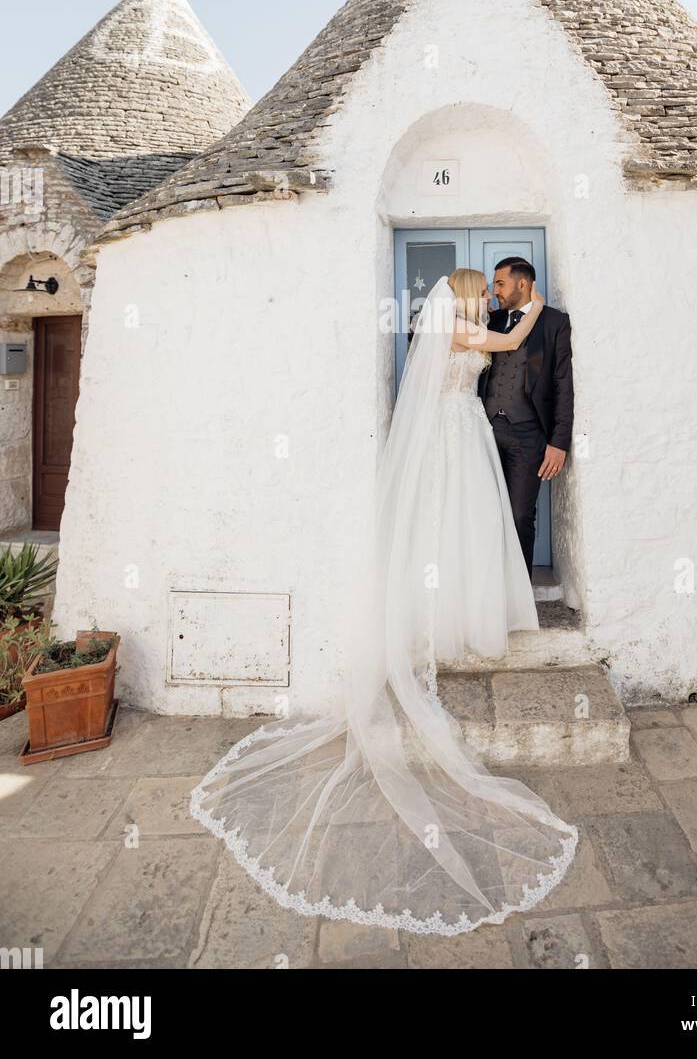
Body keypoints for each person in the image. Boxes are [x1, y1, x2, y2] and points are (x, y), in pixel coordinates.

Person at [190, 272, 579, 936]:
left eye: (494, 288)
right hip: (459, 435)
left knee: (461, 525)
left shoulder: (447, 328)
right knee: (452, 523)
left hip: (464, 433)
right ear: (459, 299)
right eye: (478, 289)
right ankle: (450, 612)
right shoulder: (456, 329)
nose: (487, 295)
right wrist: (534, 302)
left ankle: (460, 605)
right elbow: (511, 336)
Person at [479, 257, 574, 575]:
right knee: (485, 512)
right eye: (492, 285)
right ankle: (487, 589)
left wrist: (559, 441)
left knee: (520, 514)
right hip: (484, 430)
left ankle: (518, 594)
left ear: (523, 284)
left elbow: (563, 384)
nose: (495, 292)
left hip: (528, 435)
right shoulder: (489, 321)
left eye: (500, 283)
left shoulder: (553, 323)